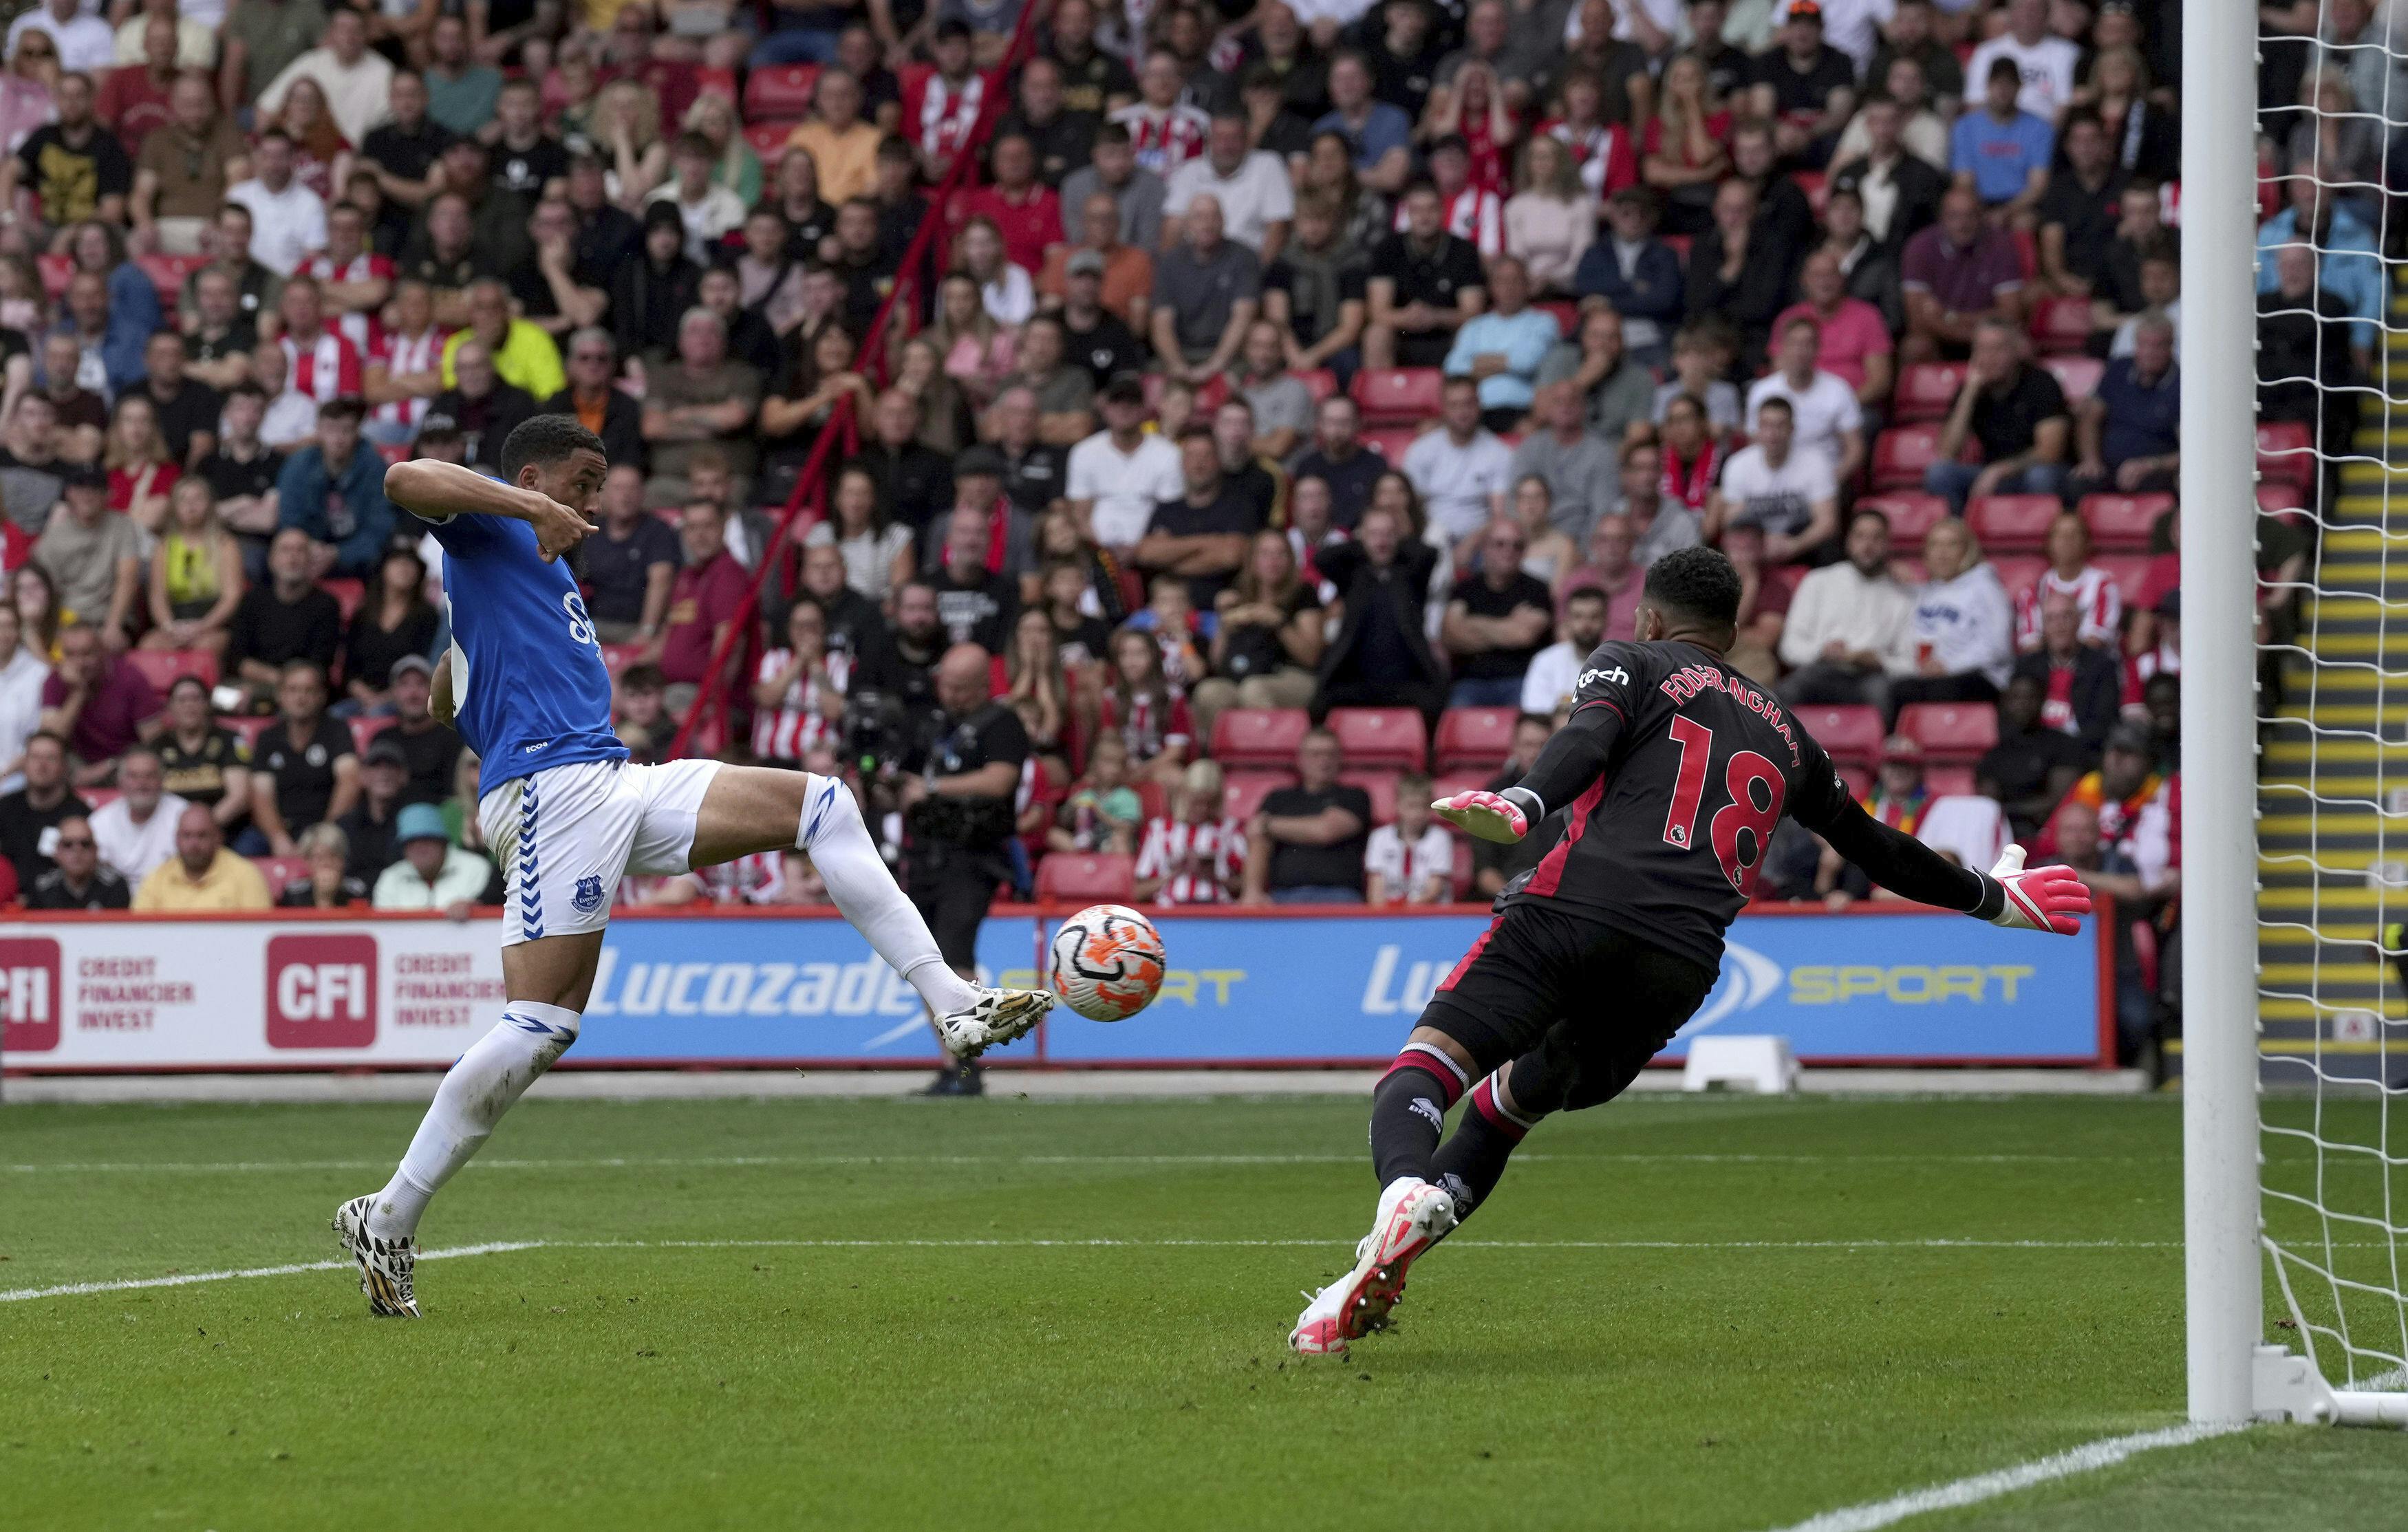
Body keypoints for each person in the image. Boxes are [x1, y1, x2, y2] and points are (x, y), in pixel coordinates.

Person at [1287, 546, 2092, 1355]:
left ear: (1648, 618)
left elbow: (1588, 738)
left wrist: (1523, 800)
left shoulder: (1630, 661)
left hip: (1576, 907)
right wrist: (1990, 898)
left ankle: (1400, 1189)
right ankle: (1375, 1270)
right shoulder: (1788, 734)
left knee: (1426, 1065)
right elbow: (1874, 846)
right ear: (1734, 632)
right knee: (1507, 1107)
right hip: (1676, 967)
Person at [340, 421, 1055, 1311]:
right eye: (583, 480)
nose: (595, 500)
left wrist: (464, 667)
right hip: (549, 793)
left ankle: (951, 1002)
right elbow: (406, 476)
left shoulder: (525, 557)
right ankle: (391, 1212)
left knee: (823, 804)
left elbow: (462, 675)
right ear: (530, 474)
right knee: (539, 1022)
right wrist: (526, 509)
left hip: (608, 776)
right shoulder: (493, 521)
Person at [1312, 502, 1446, 720]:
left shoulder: (1411, 574)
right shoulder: (1353, 576)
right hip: (1358, 680)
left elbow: (1429, 554)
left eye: (1388, 534)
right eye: (1374, 534)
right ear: (1361, 536)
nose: (1382, 542)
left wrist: (1392, 539)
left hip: (1407, 681)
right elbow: (1323, 559)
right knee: (1319, 705)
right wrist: (1365, 543)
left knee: (1434, 705)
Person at [1925, 317, 2070, 514]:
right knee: (1939, 473)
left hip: (2030, 472)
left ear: (2015, 352)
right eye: (1982, 350)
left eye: (1998, 349)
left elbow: (2050, 452)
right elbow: (1947, 452)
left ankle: (2038, 540)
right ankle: (1957, 539)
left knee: (2041, 476)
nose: (1989, 357)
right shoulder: (1970, 389)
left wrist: (1999, 470)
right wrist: (1969, 393)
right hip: (1988, 474)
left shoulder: (2042, 383)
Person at [1776, 508, 1914, 713]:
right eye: (1860, 536)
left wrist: (1880, 661)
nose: (1867, 545)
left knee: (1884, 695)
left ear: (1888, 544)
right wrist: (1822, 651)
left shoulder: (1903, 596)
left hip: (1872, 677)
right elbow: (1789, 647)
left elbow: (1911, 662)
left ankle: (1884, 746)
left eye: (1877, 538)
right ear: (1848, 541)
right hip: (1821, 669)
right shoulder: (1818, 581)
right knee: (1783, 694)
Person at [1243, 725, 1373, 905]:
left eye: (1330, 754)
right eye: (1316, 754)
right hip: (1282, 897)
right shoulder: (1278, 799)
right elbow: (1258, 840)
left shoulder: (1355, 796)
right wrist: (1252, 892)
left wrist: (1269, 825)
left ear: (1340, 759)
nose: (1324, 761)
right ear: (1301, 760)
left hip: (1340, 898)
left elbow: (1326, 830)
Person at [1702, 397, 1840, 564]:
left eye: (1780, 426)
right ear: (1757, 429)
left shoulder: (1816, 462)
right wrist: (1760, 544)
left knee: (1830, 547)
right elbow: (1731, 521)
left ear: (1792, 429)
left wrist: (1794, 545)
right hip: (1755, 543)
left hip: (1801, 542)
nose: (1772, 434)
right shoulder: (1738, 465)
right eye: (1766, 426)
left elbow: (1827, 523)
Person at [246, 658, 357, 855]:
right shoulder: (268, 737)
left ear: (322, 696)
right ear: (280, 695)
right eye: (293, 690)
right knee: (243, 852)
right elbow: (261, 795)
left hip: (326, 826)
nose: (301, 698)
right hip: (279, 830)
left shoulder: (337, 730)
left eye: (309, 690)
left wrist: (324, 833)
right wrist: (278, 838)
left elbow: (349, 782)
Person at [1441, 517, 1554, 708]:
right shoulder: (1465, 589)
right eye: (1500, 544)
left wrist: (1470, 623)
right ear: (1485, 548)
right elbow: (1451, 636)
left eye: (1517, 545)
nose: (1509, 550)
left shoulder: (1538, 590)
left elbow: (1523, 635)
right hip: (1471, 683)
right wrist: (1508, 624)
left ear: (1524, 551)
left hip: (1520, 680)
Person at [39, 618, 162, 779]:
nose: (79, 663)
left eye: (86, 653)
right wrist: (79, 692)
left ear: (102, 651)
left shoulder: (130, 678)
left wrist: (113, 765)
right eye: (70, 654)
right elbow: (51, 740)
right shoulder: (56, 680)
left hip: (124, 766)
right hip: (77, 767)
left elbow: (155, 743)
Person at [1977, 671, 2088, 840]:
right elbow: (1989, 807)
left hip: (2048, 833)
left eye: (2030, 697)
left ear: (2043, 701)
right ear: (2006, 703)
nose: (2023, 704)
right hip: (2006, 834)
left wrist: (2008, 810)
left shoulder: (2063, 745)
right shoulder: (1995, 754)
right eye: (2016, 698)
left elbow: (2058, 803)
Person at [2010, 591, 2120, 757]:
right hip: (2034, 752)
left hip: (2080, 751)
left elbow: (2103, 724)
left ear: (2079, 621)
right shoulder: (2026, 666)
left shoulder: (2102, 666)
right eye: (2051, 618)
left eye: (2066, 616)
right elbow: (2011, 717)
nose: (2059, 625)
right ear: (2044, 627)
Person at [1132, 757, 1243, 905]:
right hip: (1171, 912)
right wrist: (1175, 872)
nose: (1203, 809)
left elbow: (1248, 887)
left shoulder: (1229, 829)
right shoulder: (1159, 830)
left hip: (1218, 911)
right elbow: (1138, 892)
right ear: (1183, 795)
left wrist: (1213, 876)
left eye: (1209, 803)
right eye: (1196, 802)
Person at [153, 674, 251, 830]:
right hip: (169, 832)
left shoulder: (230, 740)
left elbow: (239, 797)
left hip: (227, 830)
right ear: (170, 707)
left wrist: (201, 830)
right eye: (182, 700)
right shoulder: (157, 746)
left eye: (195, 699)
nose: (189, 705)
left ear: (207, 704)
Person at [132, 801, 271, 909]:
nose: (194, 844)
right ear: (176, 839)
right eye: (187, 835)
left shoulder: (246, 875)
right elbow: (139, 935)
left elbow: (257, 935)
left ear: (218, 838)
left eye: (202, 835)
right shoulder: (155, 879)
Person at [87, 740, 184, 883]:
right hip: (116, 901)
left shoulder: (184, 816)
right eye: (133, 776)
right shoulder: (100, 821)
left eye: (149, 776)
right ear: (120, 781)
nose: (141, 784)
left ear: (162, 779)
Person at [0, 729, 86, 888]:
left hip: (57, 906)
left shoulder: (80, 814)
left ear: (64, 766)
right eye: (35, 757)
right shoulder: (4, 808)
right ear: (24, 763)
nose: (42, 765)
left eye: (50, 758)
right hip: (8, 904)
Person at [370, 800, 488, 916]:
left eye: (427, 839)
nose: (420, 848)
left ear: (443, 843)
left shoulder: (475, 868)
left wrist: (474, 908)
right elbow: (385, 928)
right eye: (411, 842)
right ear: (404, 850)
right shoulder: (390, 878)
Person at [1520, 585, 1612, 717]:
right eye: (1578, 617)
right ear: (1567, 620)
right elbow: (1535, 710)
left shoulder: (1618, 661)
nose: (1586, 625)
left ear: (1606, 620)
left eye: (1594, 617)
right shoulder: (1545, 660)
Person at [1366, 773, 1455, 905]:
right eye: (1411, 806)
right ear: (1398, 805)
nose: (1418, 813)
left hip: (1430, 913)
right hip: (1390, 912)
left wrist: (1405, 911)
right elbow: (1376, 891)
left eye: (1424, 806)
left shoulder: (1440, 838)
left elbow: (1433, 891)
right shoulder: (1380, 838)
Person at [24, 811, 128, 908]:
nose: (77, 851)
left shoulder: (115, 886)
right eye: (68, 844)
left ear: (96, 850)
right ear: (56, 852)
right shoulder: (43, 888)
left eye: (85, 844)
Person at [278, 819, 369, 907]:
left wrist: (328, 897)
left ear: (343, 860)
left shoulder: (356, 891)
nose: (326, 863)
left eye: (333, 856)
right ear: (307, 861)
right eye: (319, 858)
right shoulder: (293, 893)